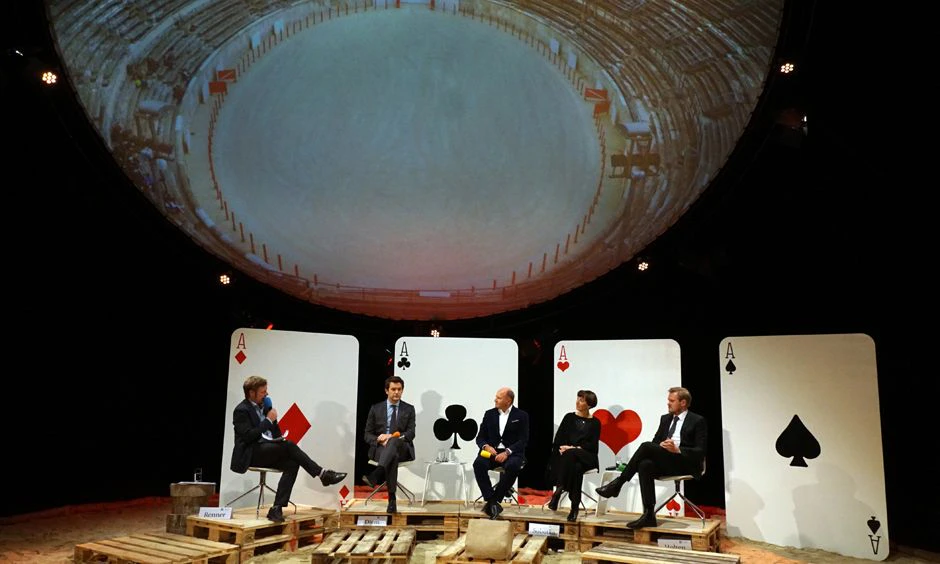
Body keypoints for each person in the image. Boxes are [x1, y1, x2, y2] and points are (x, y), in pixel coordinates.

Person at [230, 376, 347, 522]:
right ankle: (323, 474)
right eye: (263, 392)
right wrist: (268, 420)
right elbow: (248, 436)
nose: (266, 394)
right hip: (251, 453)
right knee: (290, 445)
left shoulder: (265, 407)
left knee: (292, 463)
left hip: (267, 450)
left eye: (266, 391)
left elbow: (275, 434)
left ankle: (276, 508)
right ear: (251, 393)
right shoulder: (241, 410)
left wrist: (275, 427)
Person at [594, 386, 707, 529]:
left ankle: (618, 484)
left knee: (646, 446)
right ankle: (649, 515)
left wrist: (677, 449)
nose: (668, 403)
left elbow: (700, 451)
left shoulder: (697, 420)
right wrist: (661, 445)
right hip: (667, 461)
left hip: (685, 463)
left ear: (683, 403)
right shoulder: (665, 419)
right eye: (668, 400)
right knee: (645, 464)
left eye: (672, 401)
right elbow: (655, 442)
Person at [362, 375, 416, 513]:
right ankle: (392, 500)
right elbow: (367, 434)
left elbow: (411, 433)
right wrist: (379, 439)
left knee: (394, 442)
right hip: (380, 448)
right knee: (393, 456)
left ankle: (377, 473)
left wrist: (391, 437)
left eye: (399, 389)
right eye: (393, 389)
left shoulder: (409, 409)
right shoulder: (376, 409)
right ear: (387, 390)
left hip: (402, 447)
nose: (396, 392)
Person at [473, 387, 529, 519]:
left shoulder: (521, 415)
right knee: (478, 464)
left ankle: (494, 501)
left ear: (508, 400)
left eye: (498, 398)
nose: (495, 400)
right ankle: (490, 499)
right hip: (491, 452)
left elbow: (523, 440)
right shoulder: (489, 414)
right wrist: (486, 446)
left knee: (513, 466)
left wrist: (507, 452)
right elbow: (480, 437)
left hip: (512, 452)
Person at [546, 390, 600, 522]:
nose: (577, 402)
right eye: (577, 399)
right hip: (568, 459)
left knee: (572, 455)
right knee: (576, 467)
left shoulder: (595, 423)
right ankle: (574, 507)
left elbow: (592, 446)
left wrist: (572, 448)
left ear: (589, 405)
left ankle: (559, 490)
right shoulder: (569, 417)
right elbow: (558, 439)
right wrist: (563, 448)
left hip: (587, 456)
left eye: (581, 400)